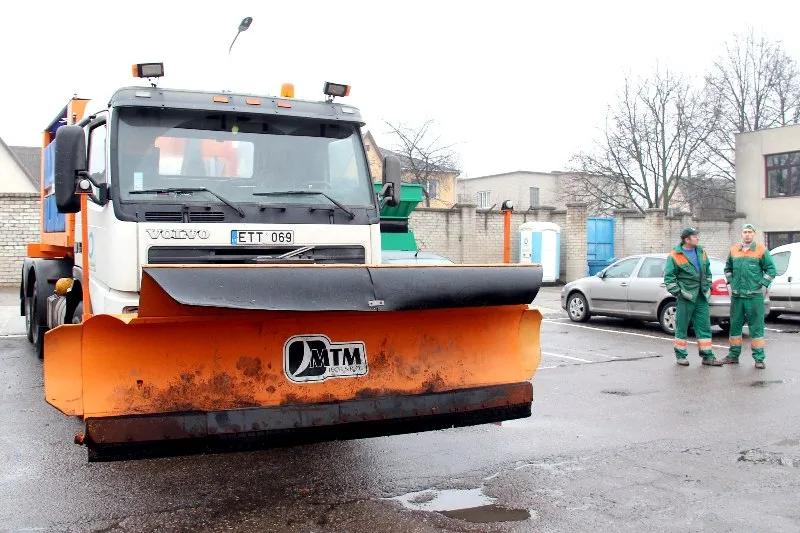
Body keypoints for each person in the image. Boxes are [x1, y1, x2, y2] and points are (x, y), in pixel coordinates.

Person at [664, 228, 723, 366]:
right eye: (695, 236)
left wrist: (708, 286)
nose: (698, 238)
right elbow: (669, 278)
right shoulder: (674, 255)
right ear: (687, 239)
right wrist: (678, 292)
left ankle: (708, 356)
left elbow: (708, 272)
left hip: (701, 296)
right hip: (686, 296)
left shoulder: (701, 252)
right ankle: (681, 355)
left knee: (704, 327)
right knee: (682, 327)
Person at [722, 223, 776, 369]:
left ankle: (759, 358)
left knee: (756, 328)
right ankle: (733, 356)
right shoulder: (734, 250)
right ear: (742, 234)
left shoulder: (761, 250)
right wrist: (732, 282)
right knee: (735, 326)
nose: (747, 234)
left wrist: (762, 283)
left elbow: (771, 270)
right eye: (745, 232)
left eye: (750, 232)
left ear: (754, 234)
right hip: (737, 296)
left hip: (754, 297)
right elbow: (727, 268)